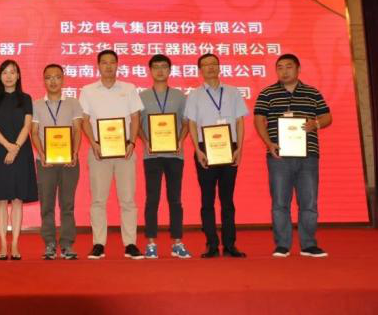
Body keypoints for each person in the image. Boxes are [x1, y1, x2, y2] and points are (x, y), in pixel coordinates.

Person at [254, 54, 332, 258]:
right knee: (280, 203)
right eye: (279, 67)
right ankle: (282, 245)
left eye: (289, 66)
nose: (284, 71)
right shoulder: (267, 93)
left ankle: (309, 245)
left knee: (309, 202)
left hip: (308, 155)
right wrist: (268, 143)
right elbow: (259, 120)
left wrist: (316, 124)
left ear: (298, 69)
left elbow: (327, 116)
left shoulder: (312, 92)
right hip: (279, 156)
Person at [80, 50, 144, 260]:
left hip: (125, 151)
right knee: (98, 200)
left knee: (128, 199)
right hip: (99, 151)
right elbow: (84, 120)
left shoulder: (129, 88)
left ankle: (130, 243)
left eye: (112, 62)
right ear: (98, 66)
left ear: (117, 65)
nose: (108, 66)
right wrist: (93, 143)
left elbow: (135, 117)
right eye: (104, 62)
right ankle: (98, 243)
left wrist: (132, 142)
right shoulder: (88, 90)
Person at [184, 53, 248, 258]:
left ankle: (230, 245)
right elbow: (192, 123)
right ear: (200, 70)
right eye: (205, 65)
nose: (210, 67)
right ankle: (211, 244)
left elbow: (240, 121)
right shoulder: (194, 95)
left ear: (220, 67)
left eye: (213, 64)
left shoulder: (233, 92)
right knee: (207, 199)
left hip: (230, 147)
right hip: (205, 149)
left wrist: (239, 149)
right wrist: (197, 150)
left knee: (227, 200)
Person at [138, 54, 191, 259]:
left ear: (170, 70)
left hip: (175, 155)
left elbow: (186, 123)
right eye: (156, 67)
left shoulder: (180, 96)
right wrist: (146, 141)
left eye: (164, 67)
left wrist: (180, 141)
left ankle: (177, 242)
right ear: (150, 71)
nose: (160, 70)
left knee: (175, 199)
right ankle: (151, 243)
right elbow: (136, 125)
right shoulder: (142, 96)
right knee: (152, 199)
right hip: (151, 156)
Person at [30, 64, 83, 260]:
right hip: (45, 162)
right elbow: (34, 132)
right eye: (49, 77)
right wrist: (42, 154)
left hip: (69, 161)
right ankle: (50, 243)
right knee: (47, 204)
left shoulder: (73, 103)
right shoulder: (36, 105)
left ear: (63, 79)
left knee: (67, 204)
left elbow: (77, 129)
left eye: (57, 77)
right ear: (44, 80)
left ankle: (67, 244)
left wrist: (74, 152)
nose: (53, 81)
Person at [0, 60, 37, 260]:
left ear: (18, 76)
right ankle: (2, 244)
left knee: (17, 200)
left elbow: (27, 126)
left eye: (12, 72)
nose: (8, 76)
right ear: (0, 76)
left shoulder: (26, 98)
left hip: (21, 152)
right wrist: (8, 146)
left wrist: (15, 148)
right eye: (5, 72)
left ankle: (15, 244)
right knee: (1, 200)